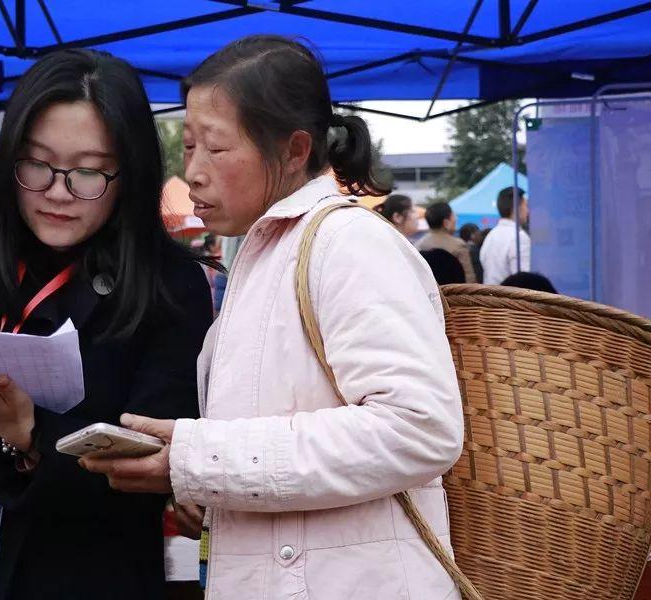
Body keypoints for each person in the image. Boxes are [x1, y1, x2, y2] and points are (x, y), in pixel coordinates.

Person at [80, 35, 464, 600]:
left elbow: (419, 428)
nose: (195, 173)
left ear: (293, 150)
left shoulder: (349, 242)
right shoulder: (262, 255)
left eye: (215, 147)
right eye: (188, 148)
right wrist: (201, 481)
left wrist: (199, 459)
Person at [0, 49, 213, 600]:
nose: (57, 190)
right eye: (37, 163)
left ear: (130, 174)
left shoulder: (171, 289)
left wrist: (30, 434)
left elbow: (149, 471)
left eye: (89, 171)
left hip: (87, 576)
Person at [479, 186, 531, 284]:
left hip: (489, 296)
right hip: (510, 297)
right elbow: (525, 281)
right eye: (526, 205)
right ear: (516, 208)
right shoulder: (519, 237)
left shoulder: (491, 236)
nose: (528, 211)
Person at [416, 202, 476, 283]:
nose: (456, 218)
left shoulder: (418, 245)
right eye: (453, 216)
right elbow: (469, 278)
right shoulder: (458, 245)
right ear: (446, 223)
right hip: (453, 293)